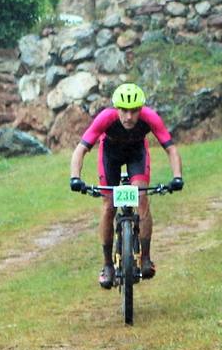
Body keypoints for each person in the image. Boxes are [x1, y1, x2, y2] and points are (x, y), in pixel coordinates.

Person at [69, 83, 184, 287]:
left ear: (141, 109)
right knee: (108, 206)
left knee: (141, 198)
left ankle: (146, 258)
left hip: (136, 154)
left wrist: (177, 177)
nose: (129, 116)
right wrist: (75, 178)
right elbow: (81, 149)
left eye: (134, 111)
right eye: (124, 110)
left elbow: (171, 149)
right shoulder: (105, 118)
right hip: (110, 156)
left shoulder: (150, 117)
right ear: (116, 108)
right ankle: (107, 265)